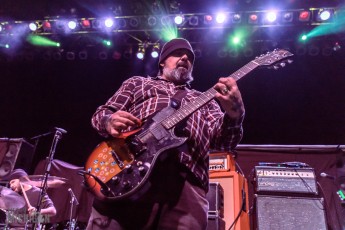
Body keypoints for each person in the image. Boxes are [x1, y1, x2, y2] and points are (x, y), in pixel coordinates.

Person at [87, 38, 245, 229]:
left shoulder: (206, 100)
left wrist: (236, 114)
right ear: (162, 61)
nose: (185, 57)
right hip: (126, 176)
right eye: (177, 53)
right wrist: (108, 121)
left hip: (185, 188)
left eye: (189, 58)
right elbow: (101, 114)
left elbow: (224, 143)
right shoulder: (138, 84)